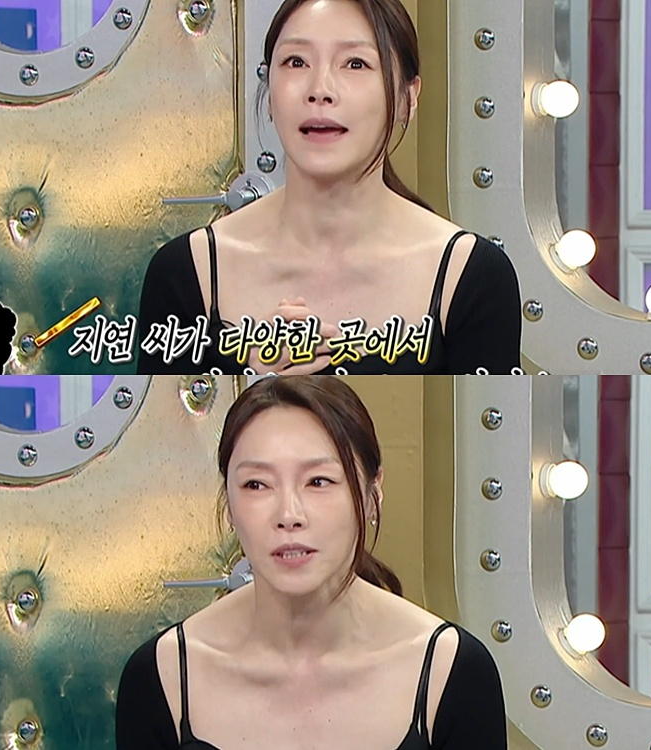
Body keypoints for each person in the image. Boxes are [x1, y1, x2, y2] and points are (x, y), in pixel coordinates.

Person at [116, 376, 508, 750]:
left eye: (318, 481)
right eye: (256, 484)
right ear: (229, 505)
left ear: (372, 494)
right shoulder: (163, 675)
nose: (289, 515)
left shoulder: (450, 672)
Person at [136, 0, 521, 375]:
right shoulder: (186, 271)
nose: (320, 89)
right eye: (296, 62)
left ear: (408, 97)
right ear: (269, 92)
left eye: (355, 63)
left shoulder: (472, 277)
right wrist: (256, 378)